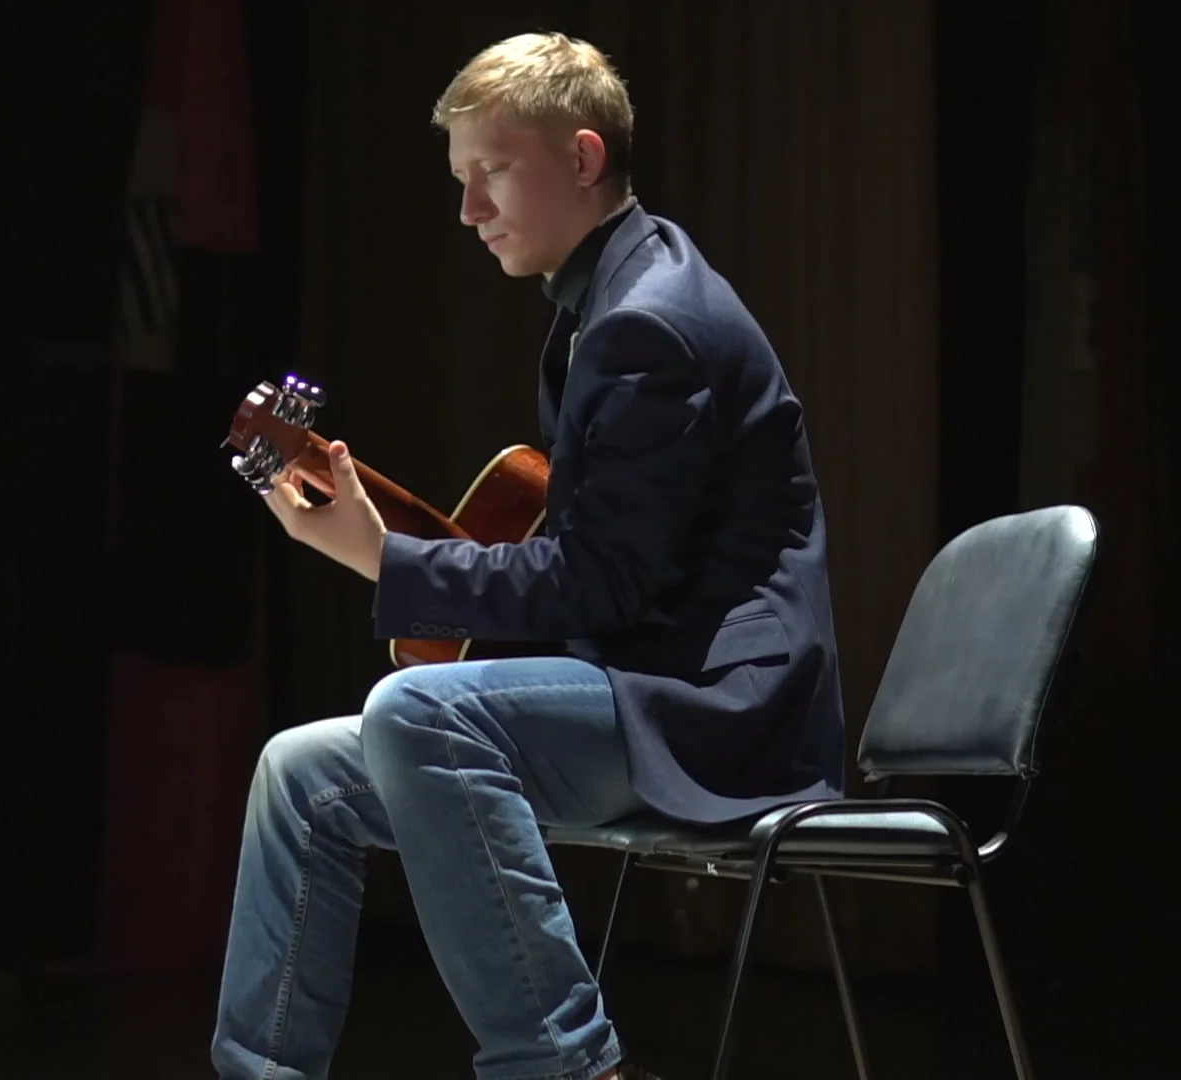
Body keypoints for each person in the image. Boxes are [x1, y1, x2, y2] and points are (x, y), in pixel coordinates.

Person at [211, 31, 845, 1080]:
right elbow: (588, 569)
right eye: (462, 181)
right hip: (635, 686)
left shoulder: (653, 325)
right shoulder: (609, 301)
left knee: (417, 712)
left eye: (492, 171)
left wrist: (383, 559)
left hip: (715, 714)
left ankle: (563, 1065)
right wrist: (393, 555)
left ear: (583, 159)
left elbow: (599, 584)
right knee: (300, 775)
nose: (469, 211)